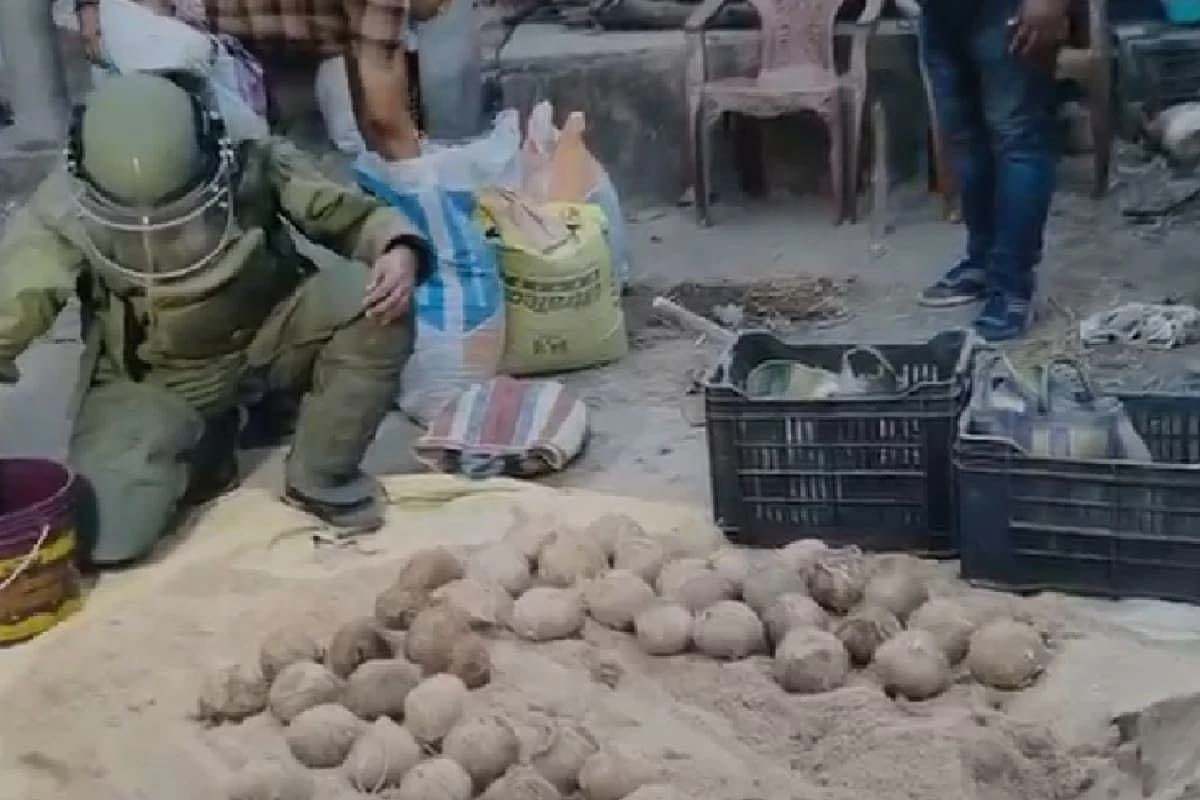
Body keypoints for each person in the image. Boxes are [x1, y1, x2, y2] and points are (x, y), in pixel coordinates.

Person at [0, 72, 431, 565]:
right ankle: (206, 452)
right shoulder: (62, 210)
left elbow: (350, 214)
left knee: (372, 303)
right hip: (156, 381)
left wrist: (396, 248)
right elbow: (13, 306)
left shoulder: (250, 157)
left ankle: (322, 476)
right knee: (108, 539)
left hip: (269, 335)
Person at [74, 0, 441, 160]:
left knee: (351, 142)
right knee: (214, 159)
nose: (442, 11)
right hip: (184, 32)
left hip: (282, 32)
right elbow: (386, 121)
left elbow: (378, 119)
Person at [916, 0, 1068, 342]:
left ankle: (1012, 288)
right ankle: (982, 261)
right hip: (940, 13)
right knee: (967, 139)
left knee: (1018, 139)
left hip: (1005, 11)